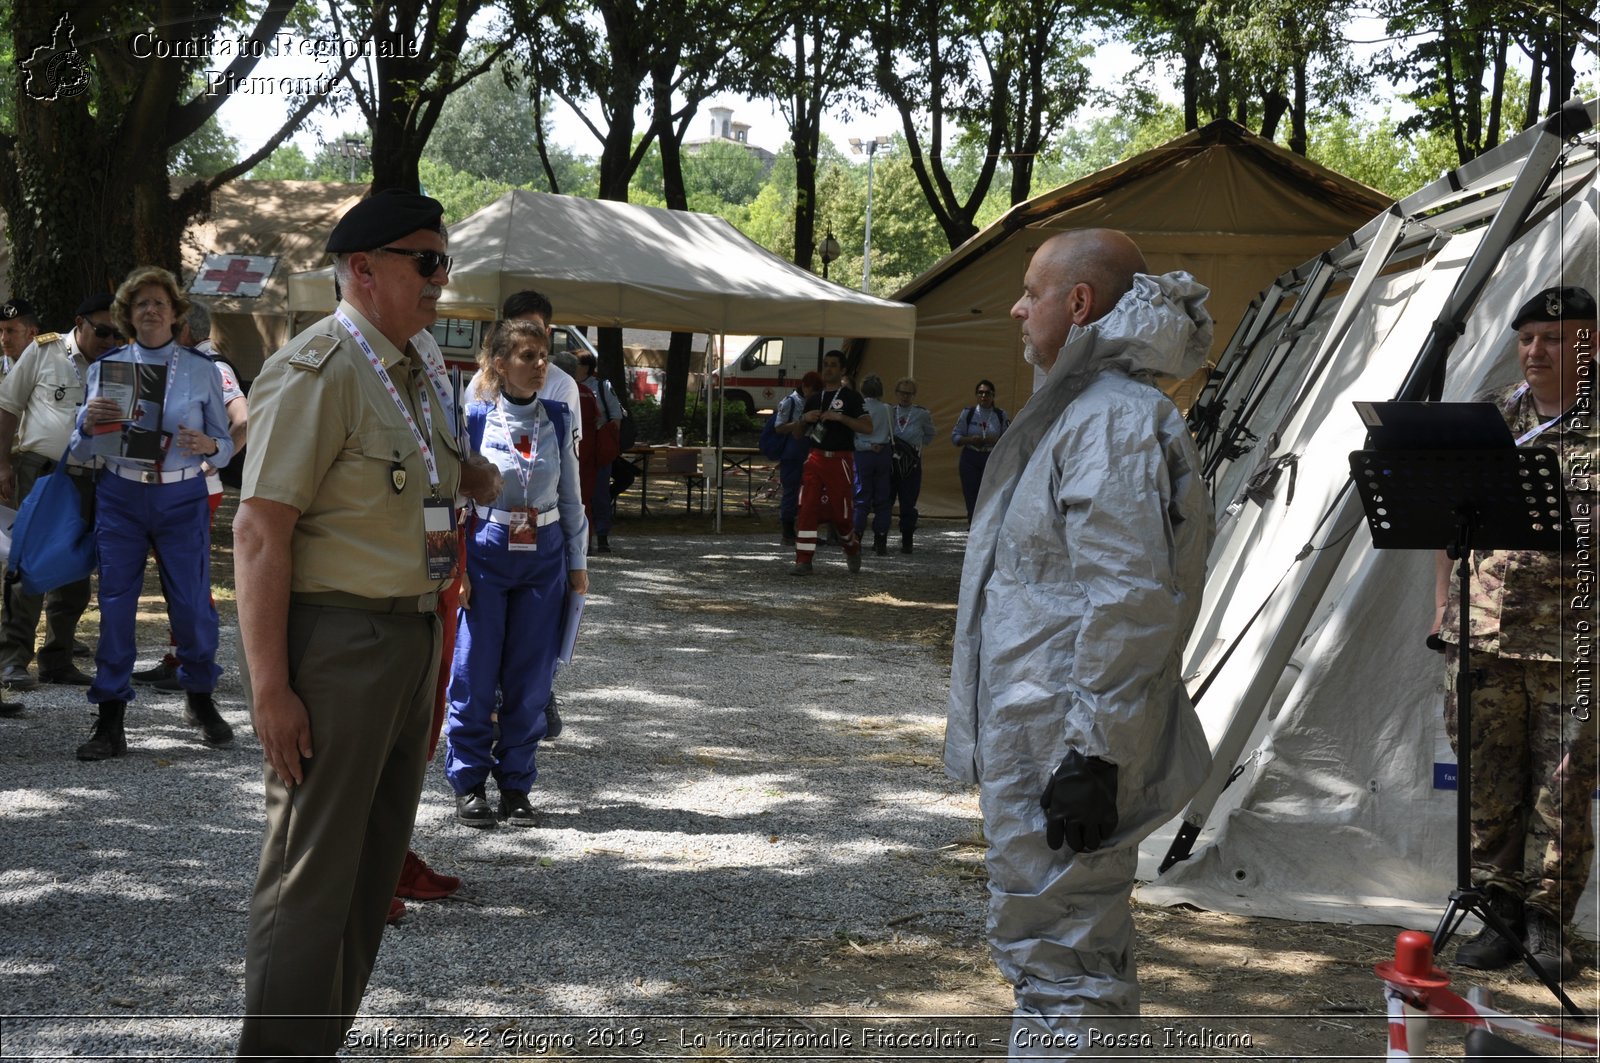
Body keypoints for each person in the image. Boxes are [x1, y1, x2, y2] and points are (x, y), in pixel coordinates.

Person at [231, 189, 501, 1057]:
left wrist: (475, 478)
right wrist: (271, 687)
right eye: (426, 261)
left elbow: (423, 477)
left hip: (412, 636)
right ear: (363, 271)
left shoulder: (412, 366)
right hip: (340, 643)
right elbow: (260, 531)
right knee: (310, 880)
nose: (440, 277)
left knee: (371, 875)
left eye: (443, 260)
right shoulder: (319, 366)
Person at [945, 229, 1214, 1057]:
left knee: (1067, 944)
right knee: (1055, 940)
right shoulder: (1082, 414)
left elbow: (1130, 599)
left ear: (1081, 304)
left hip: (1064, 739)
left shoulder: (1108, 423)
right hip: (1045, 730)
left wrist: (1093, 752)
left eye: (1032, 291)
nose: (1019, 308)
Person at [1430, 285, 1598, 982]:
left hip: (1576, 647)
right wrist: (1441, 609)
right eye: (1526, 337)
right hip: (1486, 638)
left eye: (1553, 339)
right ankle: (1497, 912)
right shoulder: (1493, 418)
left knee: (1563, 792)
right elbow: (1443, 522)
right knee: (1488, 782)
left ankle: (1548, 921)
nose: (1535, 351)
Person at [69, 268, 235, 760]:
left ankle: (200, 698)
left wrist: (209, 445)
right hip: (121, 495)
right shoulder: (109, 366)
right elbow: (79, 449)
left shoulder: (203, 369)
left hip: (182, 498)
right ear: (128, 313)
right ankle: (111, 718)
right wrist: (88, 424)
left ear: (175, 310)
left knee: (191, 605)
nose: (151, 310)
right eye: (140, 302)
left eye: (159, 301)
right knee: (116, 606)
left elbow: (226, 446)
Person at [445, 320, 588, 827]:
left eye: (544, 356)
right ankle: (468, 783)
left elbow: (571, 495)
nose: (540, 365)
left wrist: (577, 563)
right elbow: (455, 498)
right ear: (500, 365)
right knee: (474, 671)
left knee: (531, 677)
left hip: (543, 552)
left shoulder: (557, 414)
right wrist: (457, 566)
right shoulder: (476, 417)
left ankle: (516, 787)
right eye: (528, 356)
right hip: (487, 549)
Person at [0, 294, 120, 692]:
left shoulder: (121, 363)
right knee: (29, 565)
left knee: (76, 570)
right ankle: (13, 658)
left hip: (94, 476)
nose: (108, 339)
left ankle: (58, 658)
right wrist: (2, 464)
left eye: (116, 332)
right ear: (79, 323)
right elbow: (7, 406)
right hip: (43, 472)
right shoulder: (44, 349)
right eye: (102, 331)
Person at [133, 301, 249, 693]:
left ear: (184, 329)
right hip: (171, 485)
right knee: (176, 574)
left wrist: (216, 458)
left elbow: (245, 417)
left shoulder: (212, 366)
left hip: (194, 488)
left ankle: (194, 662)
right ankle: (180, 656)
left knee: (187, 576)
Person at [791, 350, 872, 576]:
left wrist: (841, 418)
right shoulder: (814, 399)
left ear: (843, 369)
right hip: (815, 457)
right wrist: (803, 419)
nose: (828, 369)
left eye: (833, 365)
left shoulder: (852, 397)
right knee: (807, 508)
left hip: (841, 460)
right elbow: (798, 434)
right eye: (825, 365)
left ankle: (851, 546)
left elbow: (868, 427)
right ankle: (803, 560)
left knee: (841, 514)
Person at [575, 350, 623, 552]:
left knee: (599, 493)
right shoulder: (565, 385)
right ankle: (579, 538)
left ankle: (602, 537)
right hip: (575, 448)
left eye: (575, 364)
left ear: (586, 366)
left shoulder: (603, 387)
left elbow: (616, 417)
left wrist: (605, 439)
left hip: (597, 449)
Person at [951, 379, 1009, 523]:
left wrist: (993, 440)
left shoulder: (1000, 415)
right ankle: (972, 525)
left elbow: (1008, 439)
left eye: (987, 393)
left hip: (991, 457)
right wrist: (970, 440)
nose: (983, 396)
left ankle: (987, 527)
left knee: (989, 494)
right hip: (970, 457)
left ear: (993, 395)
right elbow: (955, 437)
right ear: (976, 395)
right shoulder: (968, 413)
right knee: (971, 494)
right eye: (980, 393)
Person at [889, 376, 936, 554]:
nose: (905, 397)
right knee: (887, 499)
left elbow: (930, 435)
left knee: (908, 502)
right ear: (896, 393)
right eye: (902, 393)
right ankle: (881, 537)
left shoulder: (922, 414)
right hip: (892, 463)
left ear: (914, 395)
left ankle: (907, 538)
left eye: (909, 393)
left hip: (911, 464)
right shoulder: (890, 411)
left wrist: (915, 447)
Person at [772, 371, 820, 543]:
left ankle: (805, 530)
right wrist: (800, 422)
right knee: (791, 491)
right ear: (805, 387)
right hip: (792, 451)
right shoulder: (790, 401)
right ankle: (787, 530)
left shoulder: (811, 402)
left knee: (810, 492)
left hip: (808, 450)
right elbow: (779, 427)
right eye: (813, 391)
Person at [852, 374, 894, 556]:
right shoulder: (888, 409)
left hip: (863, 453)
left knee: (862, 498)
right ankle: (881, 538)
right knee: (883, 499)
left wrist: (866, 445)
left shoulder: (859, 408)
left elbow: (854, 434)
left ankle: (857, 538)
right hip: (883, 452)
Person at [0, 299, 39, 375]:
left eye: (10, 331)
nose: (3, 338)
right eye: (0, 331)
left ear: (32, 333)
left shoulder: (51, 366)